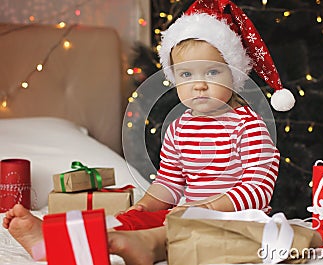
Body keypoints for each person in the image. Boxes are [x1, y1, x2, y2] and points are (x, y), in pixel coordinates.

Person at [3, 0, 296, 264]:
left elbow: (257, 190)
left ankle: (140, 245)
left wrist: (207, 206)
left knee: (182, 231)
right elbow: (169, 182)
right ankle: (52, 239)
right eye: (186, 74)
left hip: (238, 219)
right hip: (187, 215)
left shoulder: (249, 126)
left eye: (212, 72)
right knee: (131, 220)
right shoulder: (179, 129)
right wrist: (144, 205)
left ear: (234, 75)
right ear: (174, 78)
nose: (199, 84)